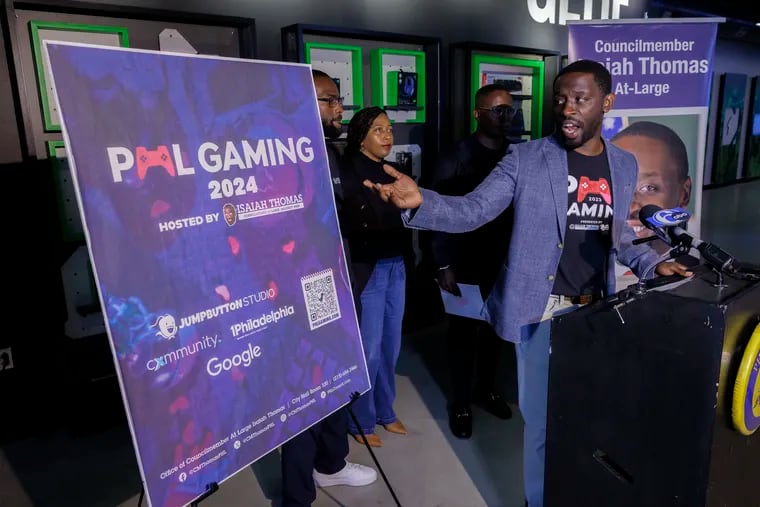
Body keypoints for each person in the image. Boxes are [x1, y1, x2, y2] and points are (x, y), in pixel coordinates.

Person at [362, 60, 691, 507]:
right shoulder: (527, 158)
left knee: (586, 418)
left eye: (580, 99)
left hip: (596, 312)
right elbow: (473, 210)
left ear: (607, 103)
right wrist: (422, 203)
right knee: (540, 424)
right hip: (542, 312)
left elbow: (622, 238)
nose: (567, 108)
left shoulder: (624, 164)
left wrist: (654, 266)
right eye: (560, 99)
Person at [278, 69, 377, 507]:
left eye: (339, 100)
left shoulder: (331, 152)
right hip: (301, 287)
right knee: (303, 387)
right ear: (304, 101)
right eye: (330, 100)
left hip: (336, 280)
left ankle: (332, 464)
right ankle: (297, 496)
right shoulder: (281, 153)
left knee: (339, 373)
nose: (340, 108)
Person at [432, 83, 515, 439]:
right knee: (463, 336)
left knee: (497, 330)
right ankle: (461, 403)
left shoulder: (516, 155)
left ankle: (486, 390)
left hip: (504, 260)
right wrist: (441, 264)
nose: (505, 116)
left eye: (509, 110)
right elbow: (434, 211)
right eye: (497, 110)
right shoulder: (456, 156)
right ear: (478, 114)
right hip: (463, 261)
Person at [339, 106, 412, 448]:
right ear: (361, 135)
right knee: (367, 350)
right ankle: (362, 419)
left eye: (389, 129)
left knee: (391, 347)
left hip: (395, 264)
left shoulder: (392, 170)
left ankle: (385, 411)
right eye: (378, 130)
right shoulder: (348, 169)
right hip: (367, 267)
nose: (387, 136)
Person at [611, 121, 696, 287]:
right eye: (618, 185)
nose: (630, 207)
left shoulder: (694, 273)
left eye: (649, 187)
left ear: (684, 193)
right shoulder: (589, 269)